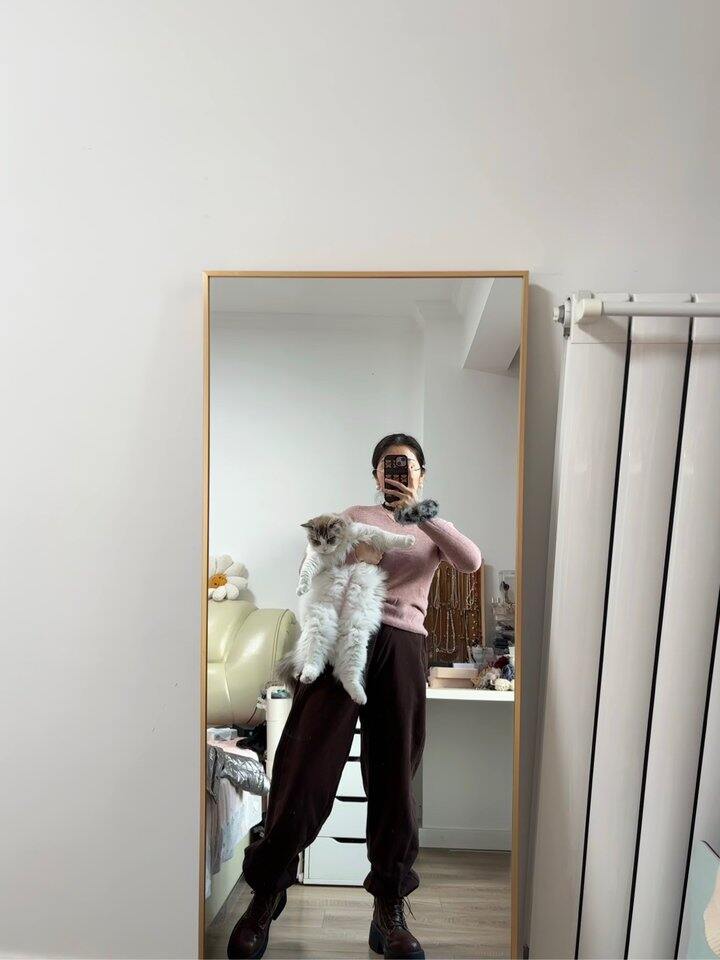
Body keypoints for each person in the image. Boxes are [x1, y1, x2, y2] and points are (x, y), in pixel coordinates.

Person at [227, 433, 482, 960]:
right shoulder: (355, 515)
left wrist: (419, 513)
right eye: (389, 465)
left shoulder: (434, 523)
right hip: (344, 635)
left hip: (403, 647)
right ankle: (267, 893)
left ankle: (388, 907)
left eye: (407, 465)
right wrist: (351, 554)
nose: (397, 472)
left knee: (394, 779)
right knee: (304, 768)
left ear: (422, 474)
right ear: (375, 474)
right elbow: (316, 570)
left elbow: (470, 562)